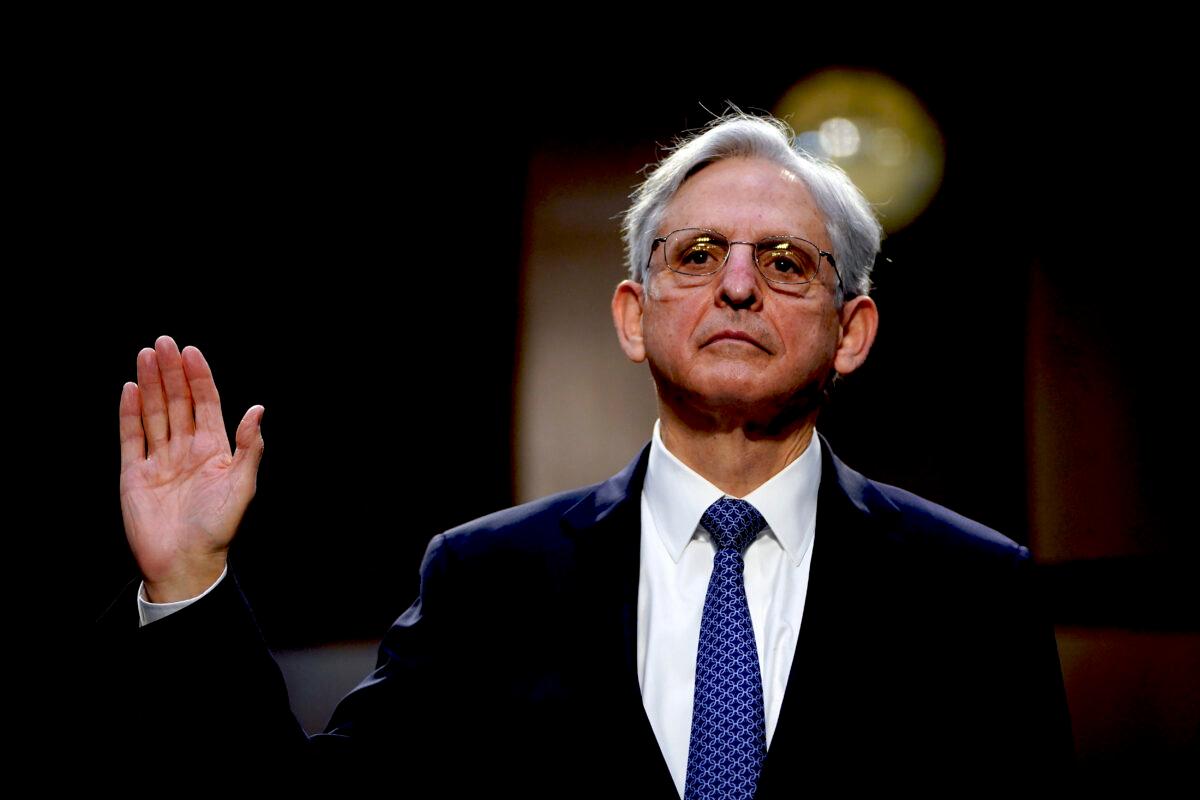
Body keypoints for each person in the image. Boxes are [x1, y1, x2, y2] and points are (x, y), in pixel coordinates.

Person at [89, 112, 1074, 795]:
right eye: (696, 254)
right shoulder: (487, 578)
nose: (737, 284)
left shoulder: (974, 589)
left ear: (852, 330)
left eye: (784, 261)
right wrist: (188, 582)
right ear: (634, 318)